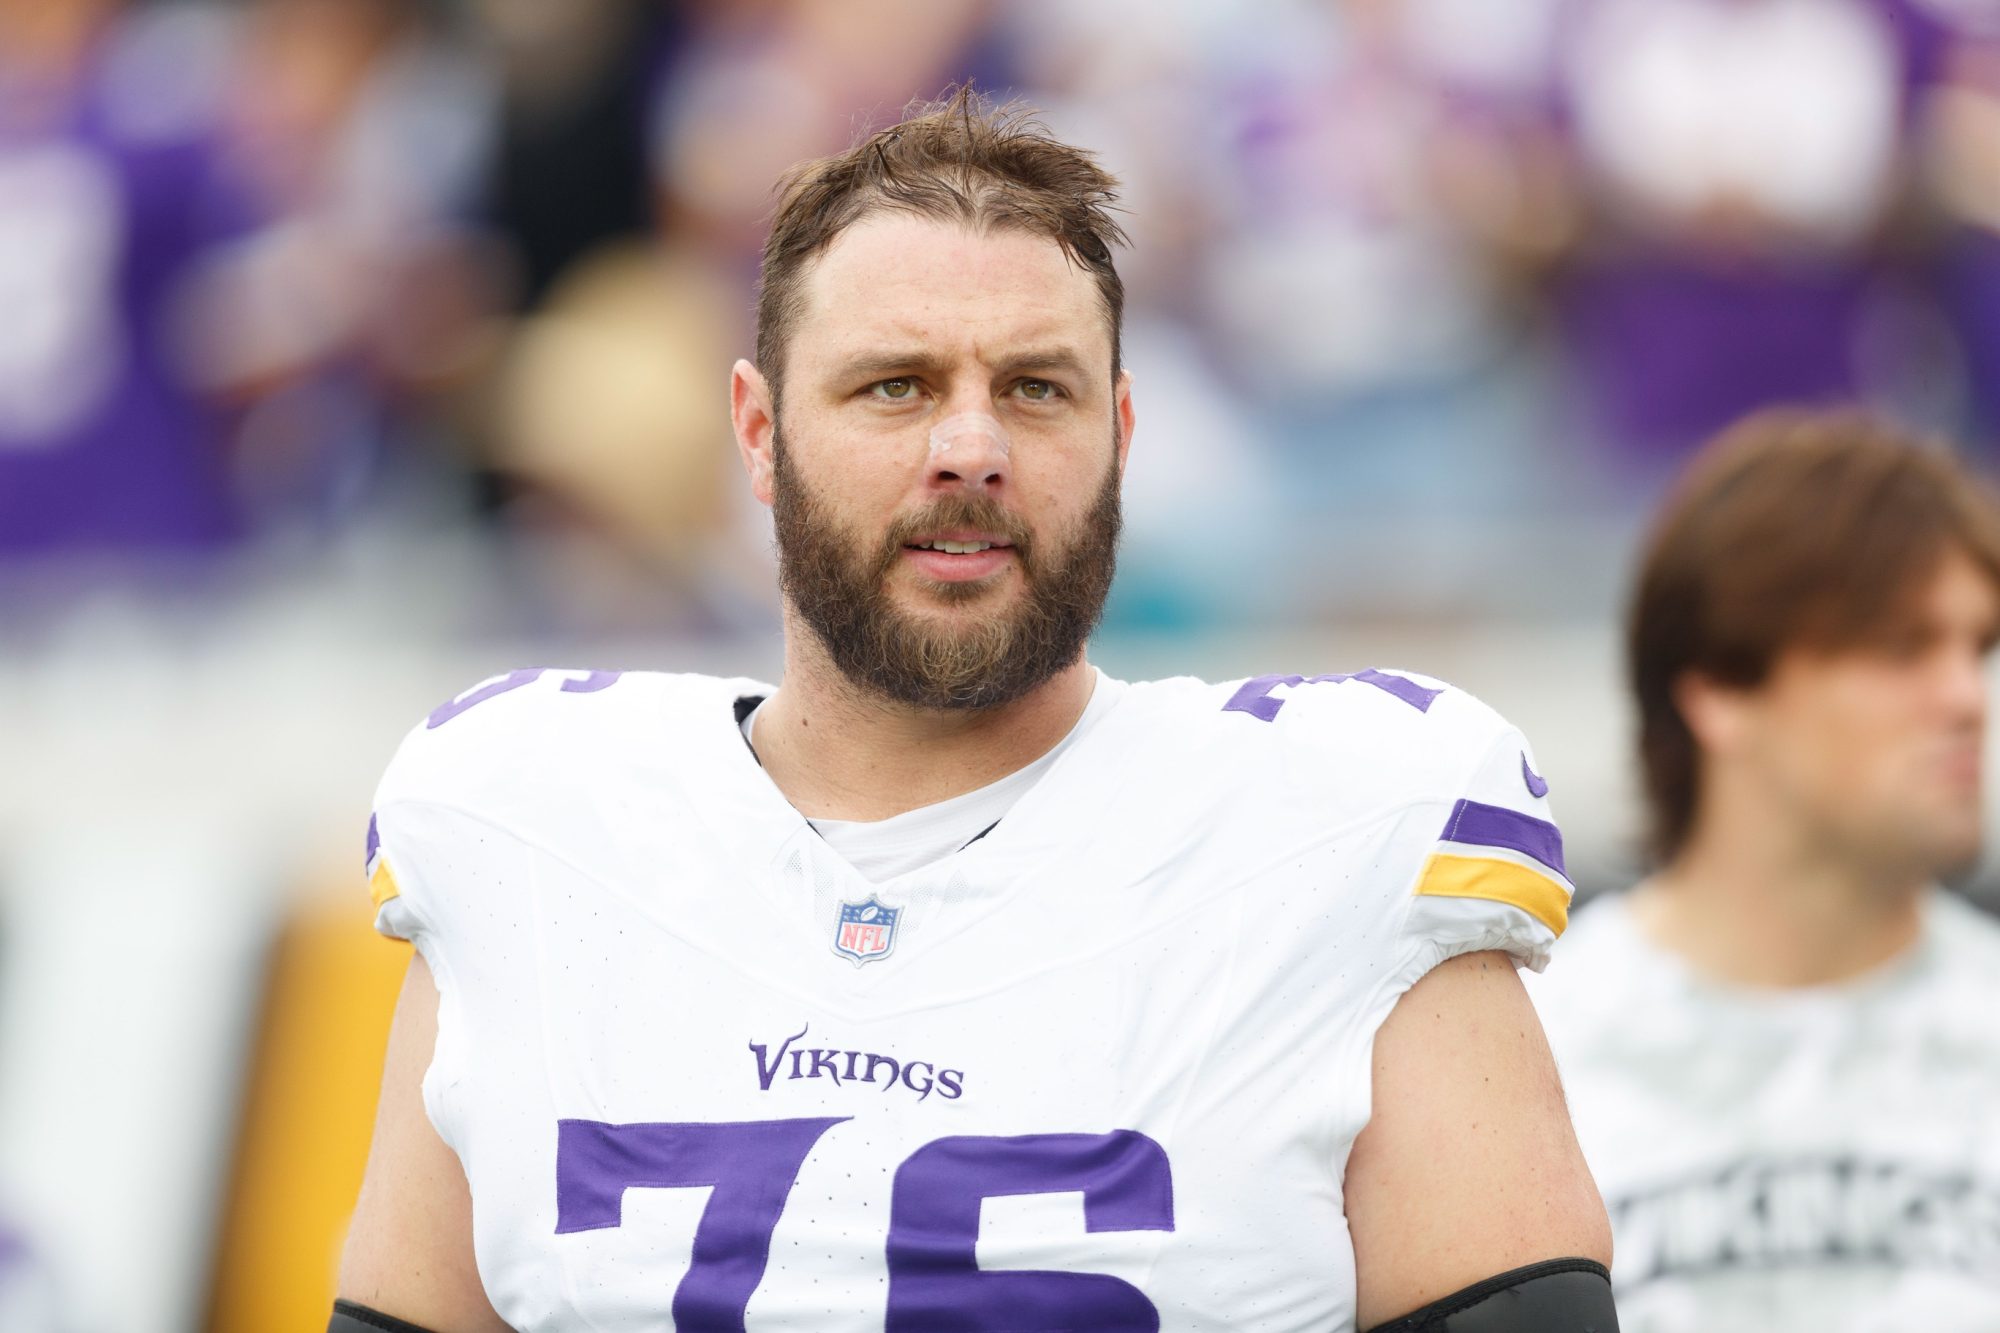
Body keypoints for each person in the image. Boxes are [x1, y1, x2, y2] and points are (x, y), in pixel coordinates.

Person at [333, 89, 1614, 1333]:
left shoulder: (1345, 828)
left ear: (1119, 431)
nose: (967, 446)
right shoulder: (526, 828)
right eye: (893, 385)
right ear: (759, 431)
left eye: (1035, 388)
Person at [1527, 409, 2000, 1329]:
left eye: (1978, 647)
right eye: (1902, 647)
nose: (1966, 697)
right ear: (1719, 687)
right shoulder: (1526, 1058)